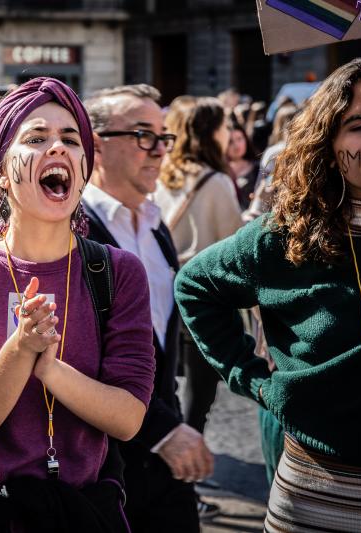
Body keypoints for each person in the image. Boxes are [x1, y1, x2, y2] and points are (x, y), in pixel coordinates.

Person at [175, 56, 361, 532]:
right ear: (328, 144)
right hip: (312, 505)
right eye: (358, 124)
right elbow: (194, 286)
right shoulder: (284, 237)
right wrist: (255, 380)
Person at [0, 77, 156, 532]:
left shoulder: (119, 273)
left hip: (85, 511)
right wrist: (22, 347)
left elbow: (128, 419)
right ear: (2, 172)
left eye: (71, 139)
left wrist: (51, 369)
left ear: (84, 167)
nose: (58, 148)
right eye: (36, 138)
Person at [81, 84, 212, 532]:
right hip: (101, 459)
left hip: (161, 458)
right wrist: (162, 431)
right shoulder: (73, 230)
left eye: (164, 136)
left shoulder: (156, 228)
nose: (159, 150)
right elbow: (77, 351)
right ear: (96, 146)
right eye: (143, 135)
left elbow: (158, 346)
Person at [153, 96, 244, 443]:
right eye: (225, 125)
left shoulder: (161, 175)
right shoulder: (216, 181)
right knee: (199, 392)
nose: (229, 132)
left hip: (162, 292)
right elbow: (235, 249)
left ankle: (169, 463)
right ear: (210, 132)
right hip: (203, 299)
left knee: (164, 384)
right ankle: (187, 474)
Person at [226, 116, 260, 210]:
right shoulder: (220, 172)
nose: (236, 145)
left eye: (239, 139)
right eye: (230, 142)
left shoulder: (259, 168)